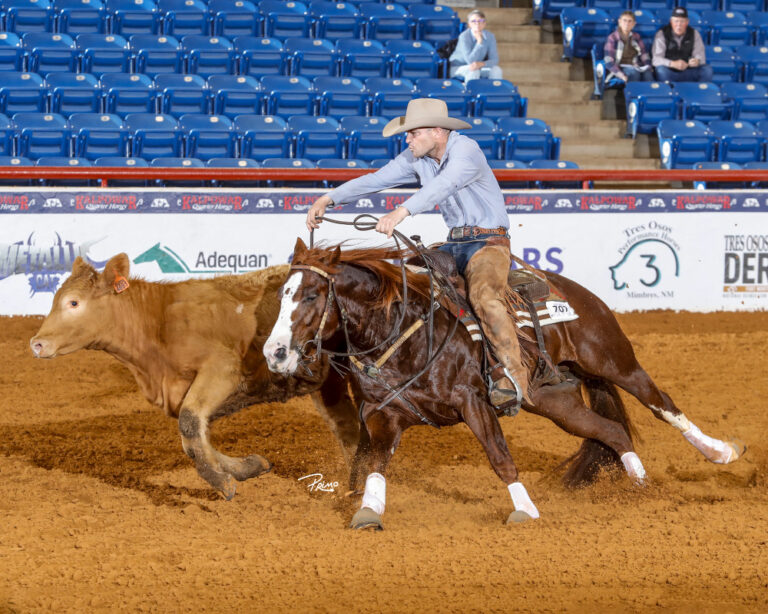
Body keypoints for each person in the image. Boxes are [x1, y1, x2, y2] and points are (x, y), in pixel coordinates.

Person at [306, 98, 536, 408]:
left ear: (437, 131)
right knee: (406, 285)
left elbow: (443, 185)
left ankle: (514, 377)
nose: (408, 139)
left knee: (484, 297)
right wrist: (329, 198)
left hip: (489, 245)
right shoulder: (417, 157)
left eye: (413, 133)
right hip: (454, 244)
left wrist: (400, 213)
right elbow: (376, 179)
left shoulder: (466, 150)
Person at [651, 7, 713, 83]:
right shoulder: (662, 34)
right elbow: (656, 59)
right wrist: (672, 63)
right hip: (670, 71)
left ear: (687, 22)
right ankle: (670, 92)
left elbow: (700, 56)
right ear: (671, 21)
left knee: (707, 70)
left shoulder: (694, 33)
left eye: (682, 21)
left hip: (689, 70)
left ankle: (699, 92)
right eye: (676, 21)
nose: (679, 25)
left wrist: (696, 61)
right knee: (661, 70)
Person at [448, 9, 503, 83]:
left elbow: (494, 59)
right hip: (458, 68)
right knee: (473, 71)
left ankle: (493, 93)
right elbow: (470, 61)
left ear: (484, 23)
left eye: (480, 21)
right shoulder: (464, 36)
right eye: (473, 21)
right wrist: (479, 42)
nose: (477, 24)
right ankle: (471, 94)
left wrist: (482, 64)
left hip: (479, 66)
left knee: (496, 70)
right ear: (469, 24)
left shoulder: (490, 36)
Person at [603, 11, 653, 84]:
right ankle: (632, 94)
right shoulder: (612, 38)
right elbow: (608, 61)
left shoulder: (636, 36)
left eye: (630, 21)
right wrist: (621, 75)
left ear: (634, 24)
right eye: (624, 20)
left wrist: (648, 66)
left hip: (635, 65)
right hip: (619, 67)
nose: (627, 23)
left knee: (648, 74)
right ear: (619, 22)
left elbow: (644, 54)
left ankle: (649, 94)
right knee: (634, 73)